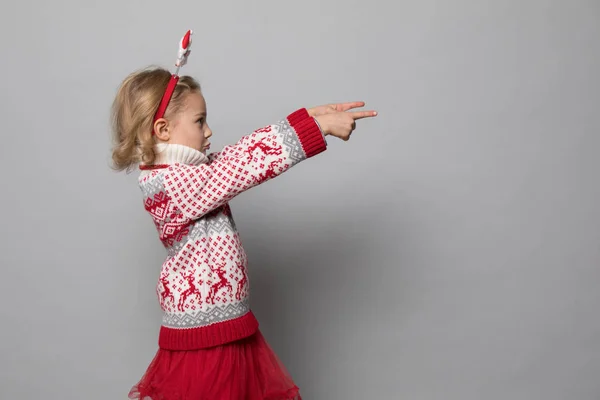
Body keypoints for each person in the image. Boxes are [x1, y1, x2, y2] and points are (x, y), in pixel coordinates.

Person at [110, 58, 377, 399]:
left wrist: (309, 118)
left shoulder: (189, 173)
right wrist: (315, 129)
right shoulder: (172, 183)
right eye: (199, 121)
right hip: (207, 335)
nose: (208, 131)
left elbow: (237, 155)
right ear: (163, 130)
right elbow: (243, 167)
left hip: (226, 326)